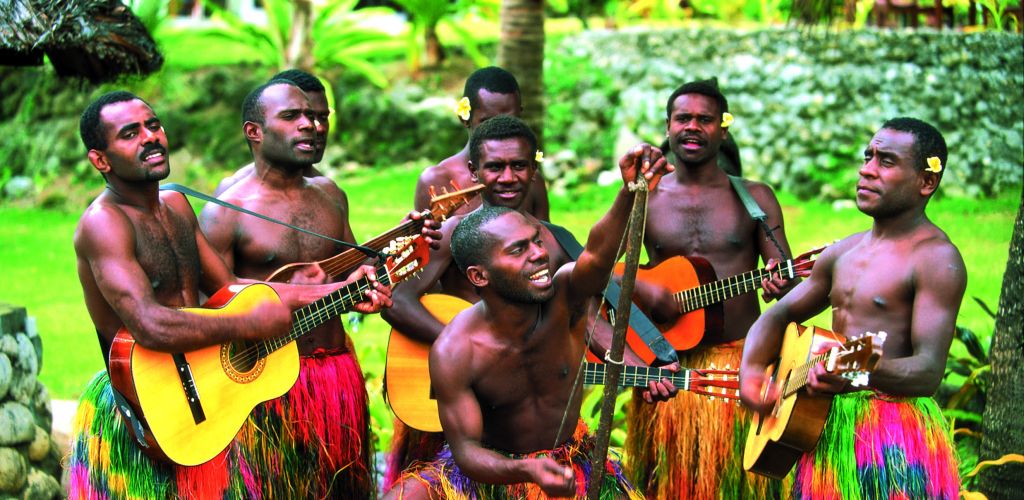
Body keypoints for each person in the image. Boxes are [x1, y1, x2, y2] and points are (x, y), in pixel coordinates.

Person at [67, 91, 391, 499]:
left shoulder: (176, 206)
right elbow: (150, 325)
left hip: (203, 393)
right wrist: (246, 322)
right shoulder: (104, 224)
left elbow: (231, 289)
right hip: (144, 408)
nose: (150, 137)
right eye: (130, 133)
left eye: (153, 125)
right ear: (101, 159)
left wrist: (340, 290)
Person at [381, 115, 669, 491]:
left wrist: (629, 192)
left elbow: (597, 260)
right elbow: (466, 451)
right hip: (494, 465)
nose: (539, 254)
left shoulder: (562, 286)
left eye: (537, 242)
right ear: (478, 276)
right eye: (520, 249)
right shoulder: (453, 348)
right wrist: (524, 471)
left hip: (570, 458)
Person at [199, 80, 438, 498]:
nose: (309, 125)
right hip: (265, 385)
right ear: (254, 132)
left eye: (312, 116)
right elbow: (211, 306)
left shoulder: (330, 195)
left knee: (341, 488)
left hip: (336, 375)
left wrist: (403, 244)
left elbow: (359, 265)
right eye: (292, 117)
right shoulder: (225, 213)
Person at [739, 117, 964, 499]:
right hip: (826, 426)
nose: (866, 169)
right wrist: (752, 372)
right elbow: (779, 315)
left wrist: (858, 369)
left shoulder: (936, 259)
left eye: (886, 162)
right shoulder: (843, 251)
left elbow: (927, 370)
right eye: (868, 156)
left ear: (926, 182)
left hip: (892, 438)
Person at [623, 79, 795, 499]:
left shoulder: (755, 198)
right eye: (683, 118)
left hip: (742, 363)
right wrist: (651, 308)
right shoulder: (646, 197)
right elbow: (613, 277)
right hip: (666, 367)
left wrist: (779, 280)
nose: (693, 127)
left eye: (705, 119)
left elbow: (786, 274)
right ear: (668, 126)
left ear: (724, 128)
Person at [413, 66, 549, 220]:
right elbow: (425, 241)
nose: (498, 128)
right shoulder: (436, 181)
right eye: (488, 121)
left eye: (509, 120)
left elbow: (546, 239)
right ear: (465, 118)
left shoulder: (530, 180)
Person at [214, 69, 329, 195]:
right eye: (291, 116)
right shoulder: (232, 193)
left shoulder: (329, 193)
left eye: (322, 117)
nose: (317, 128)